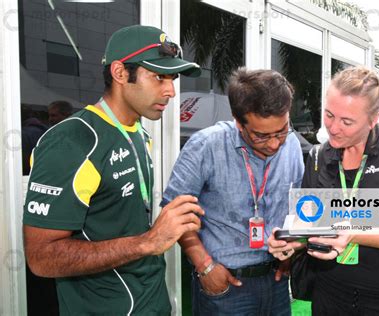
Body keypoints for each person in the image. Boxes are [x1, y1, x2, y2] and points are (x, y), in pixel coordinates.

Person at [23, 25, 205, 315]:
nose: (171, 91)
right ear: (120, 73)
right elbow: (41, 258)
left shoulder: (137, 131)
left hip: (152, 304)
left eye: (172, 78)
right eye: (159, 77)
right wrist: (149, 241)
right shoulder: (73, 140)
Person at [268, 66, 379, 315]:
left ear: (373, 119)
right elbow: (308, 223)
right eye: (329, 115)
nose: (333, 128)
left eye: (347, 121)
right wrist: (289, 242)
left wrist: (354, 233)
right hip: (331, 294)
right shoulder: (317, 157)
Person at [162, 68, 304, 315]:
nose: (273, 144)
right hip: (225, 285)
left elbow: (297, 205)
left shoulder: (291, 145)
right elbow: (172, 211)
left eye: (281, 131)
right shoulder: (206, 145)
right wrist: (205, 266)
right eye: (261, 136)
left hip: (277, 280)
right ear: (239, 122)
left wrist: (291, 248)